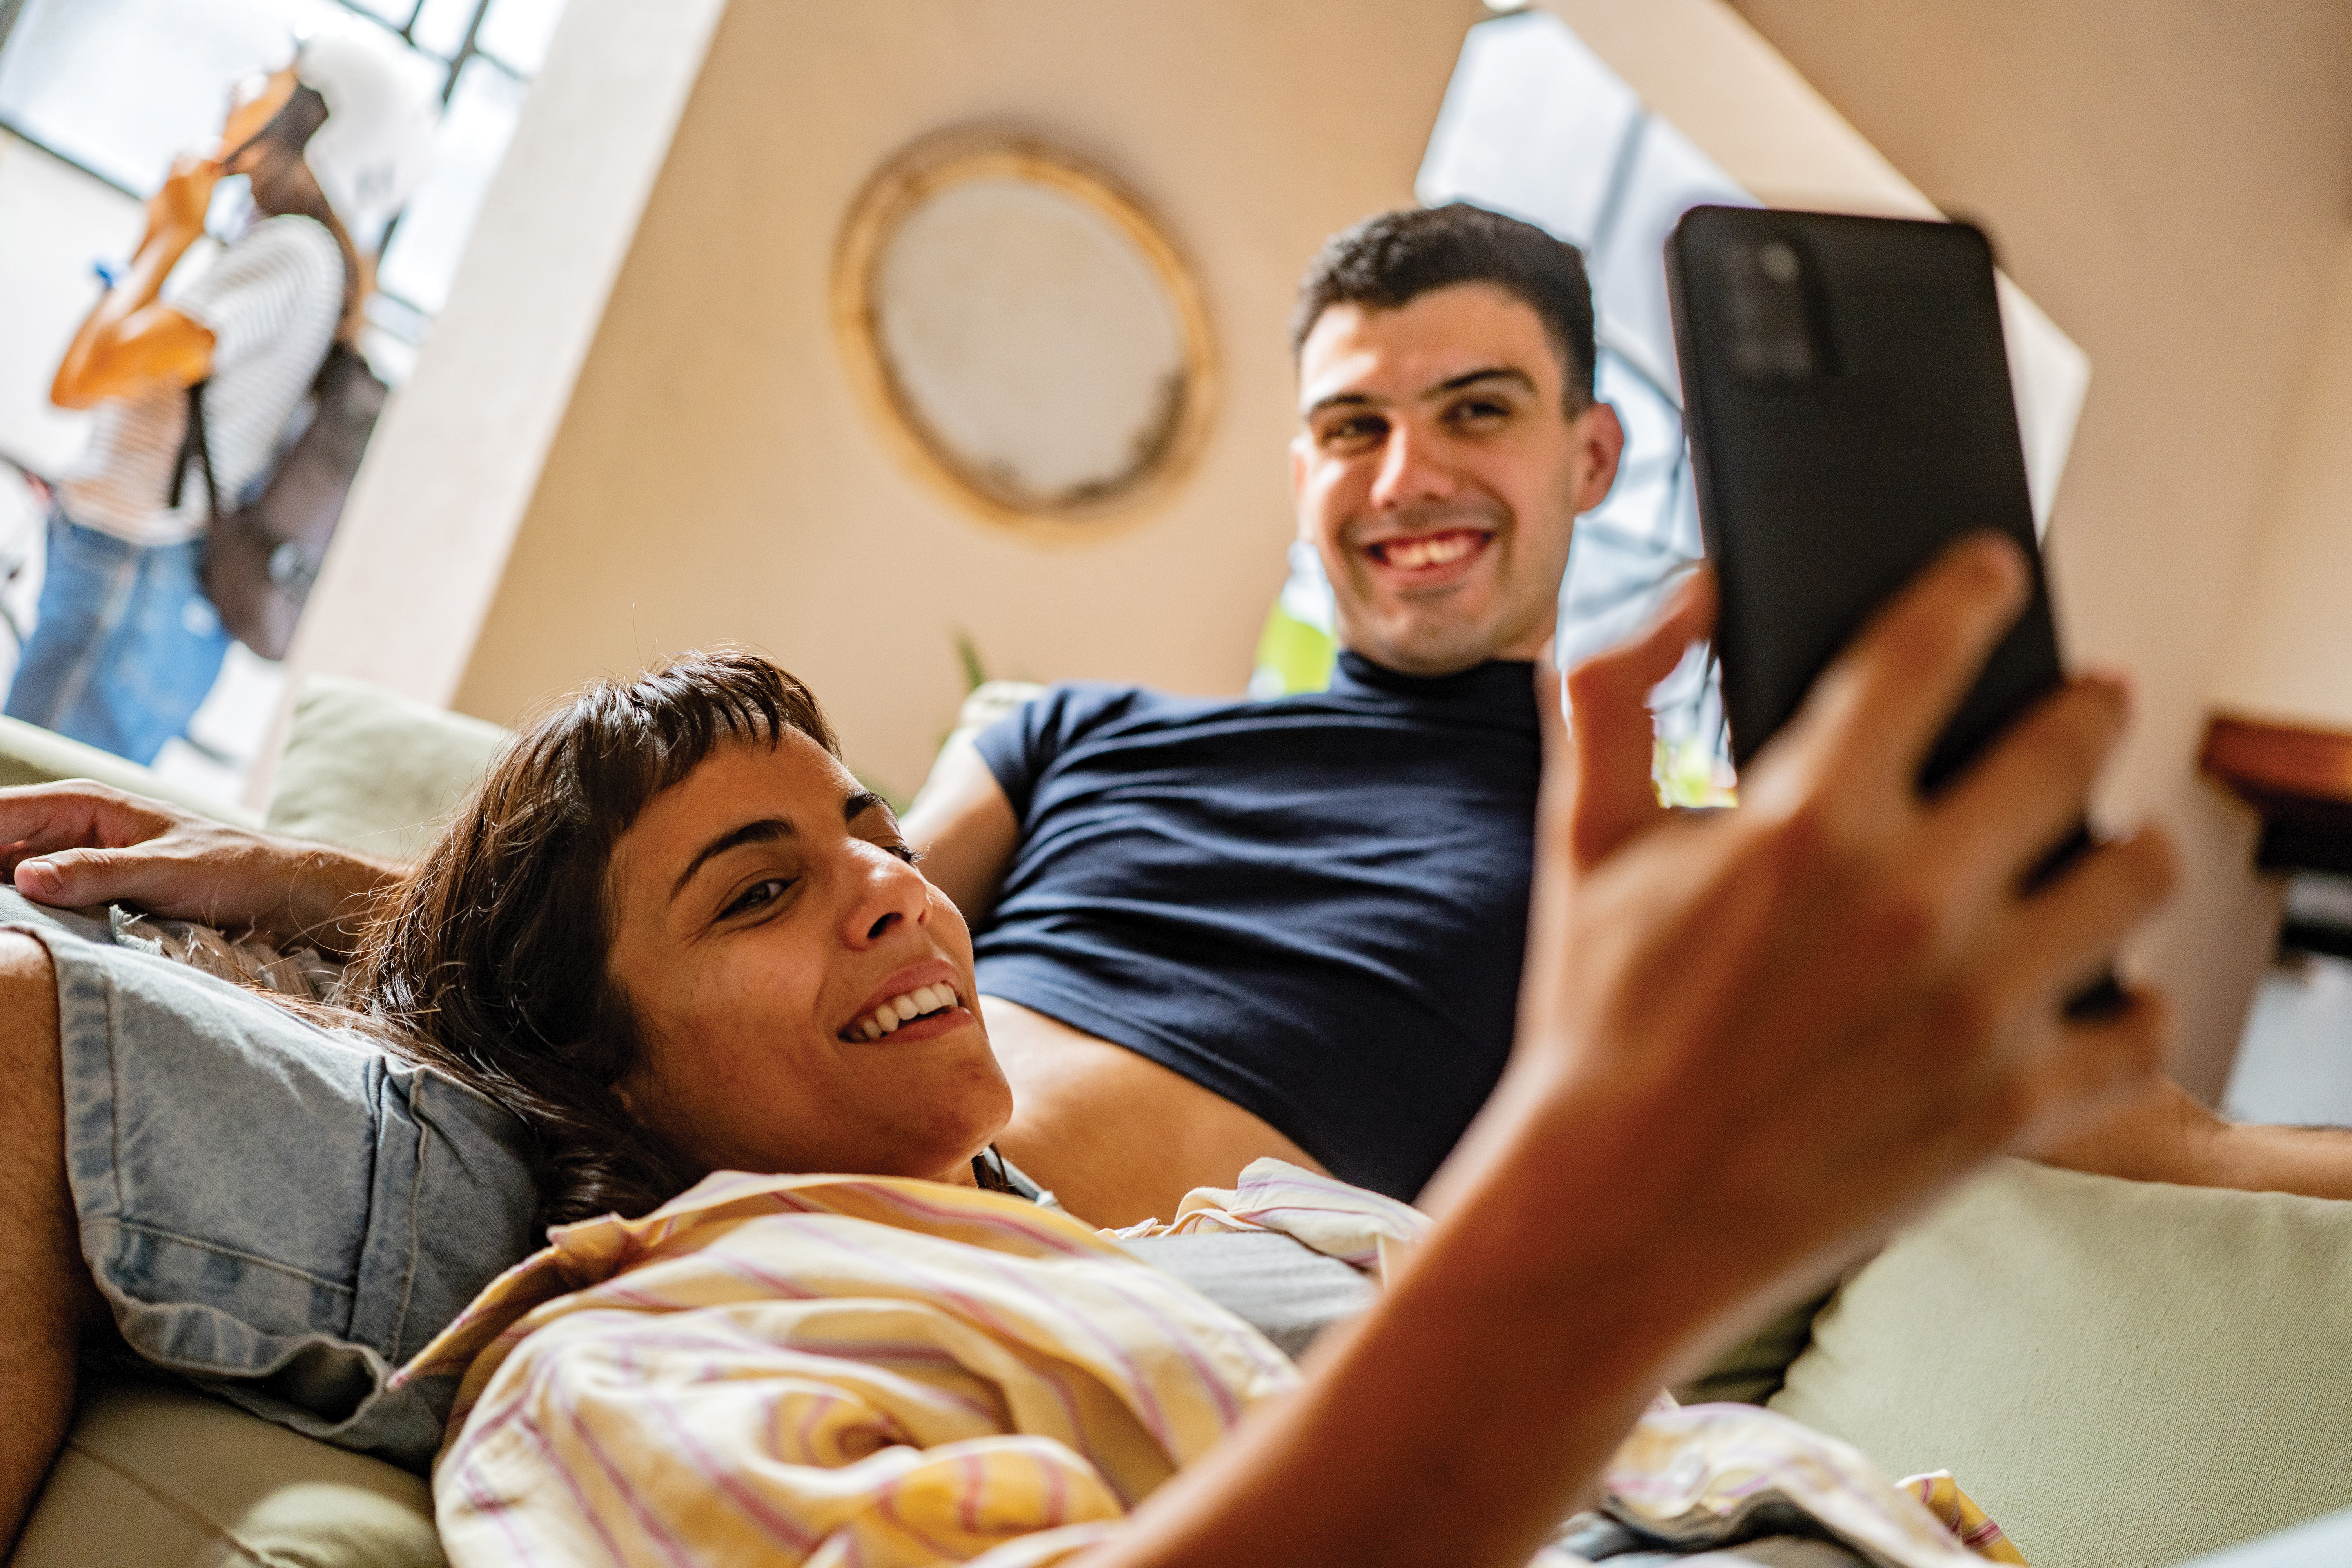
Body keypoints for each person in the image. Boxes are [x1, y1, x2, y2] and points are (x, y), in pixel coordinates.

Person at [4, 204, 2343, 1229]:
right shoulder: (1074, 723)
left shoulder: (1646, 837)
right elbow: (795, 934)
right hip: (694, 1158)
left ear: (1594, 459)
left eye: (1477, 413)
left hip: (1039, 1266)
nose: (1406, 478)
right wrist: (337, 894)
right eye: (1350, 425)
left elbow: (2110, 1121)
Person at [0, 549, 2178, 1559]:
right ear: (612, 1093)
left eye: (862, 831)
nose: (880, 885)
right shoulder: (655, 1356)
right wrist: (1596, 1237)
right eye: (761, 891)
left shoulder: (1263, 1237)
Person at [7, 24, 436, 764]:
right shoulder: (280, 250)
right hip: (124, 570)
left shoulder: (294, 255)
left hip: (133, 581)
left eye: (275, 78)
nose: (244, 89)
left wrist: (165, 238)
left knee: (20, 831)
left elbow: (81, 380)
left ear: (318, 120)